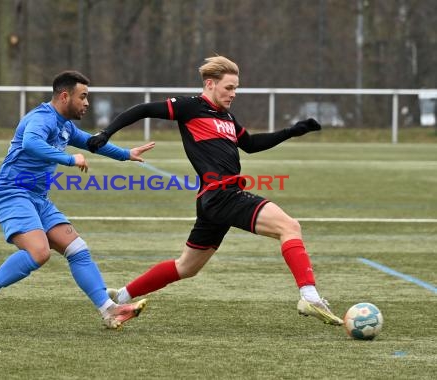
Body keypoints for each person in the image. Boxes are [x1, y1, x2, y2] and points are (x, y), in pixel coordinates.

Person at [87, 55, 344, 326]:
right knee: (289, 226)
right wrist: (106, 133)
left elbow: (252, 144)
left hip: (213, 200)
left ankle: (122, 295)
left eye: (235, 88)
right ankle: (309, 295)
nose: (233, 94)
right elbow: (142, 110)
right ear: (210, 84)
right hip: (223, 194)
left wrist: (292, 131)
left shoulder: (227, 117)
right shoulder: (189, 107)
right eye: (229, 88)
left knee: (187, 267)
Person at [0, 70, 154, 329]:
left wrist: (125, 153)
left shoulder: (65, 125)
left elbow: (91, 142)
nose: (87, 103)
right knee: (39, 252)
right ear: (65, 96)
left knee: (77, 249)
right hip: (10, 192)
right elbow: (31, 143)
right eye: (83, 97)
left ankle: (109, 310)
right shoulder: (41, 119)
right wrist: (68, 159)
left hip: (37, 198)